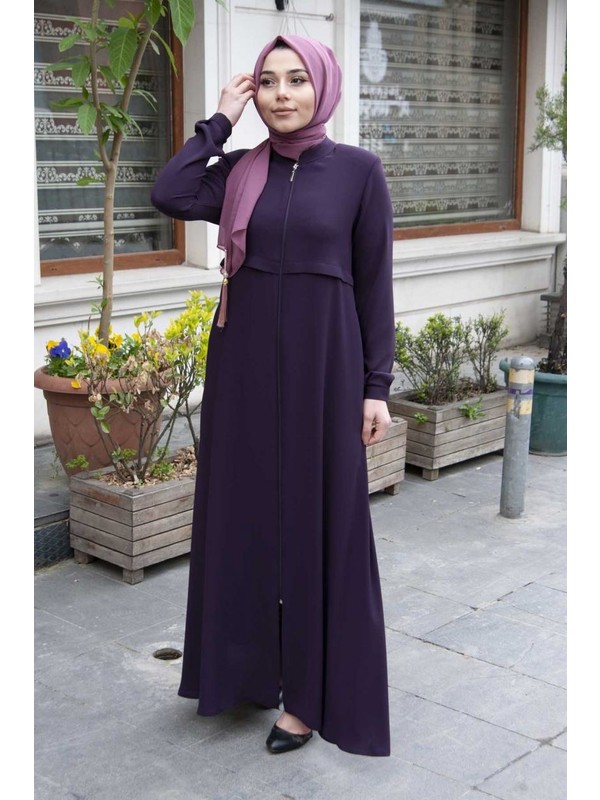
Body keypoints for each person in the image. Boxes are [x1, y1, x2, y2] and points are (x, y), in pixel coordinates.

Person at [151, 33, 395, 758]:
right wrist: (218, 122)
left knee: (322, 523)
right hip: (244, 367)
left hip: (327, 368)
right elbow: (170, 191)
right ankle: (245, 672)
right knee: (244, 515)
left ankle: (310, 699)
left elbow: (375, 283)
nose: (281, 94)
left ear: (323, 86)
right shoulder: (238, 170)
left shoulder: (358, 172)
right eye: (266, 82)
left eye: (296, 79)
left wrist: (376, 387)